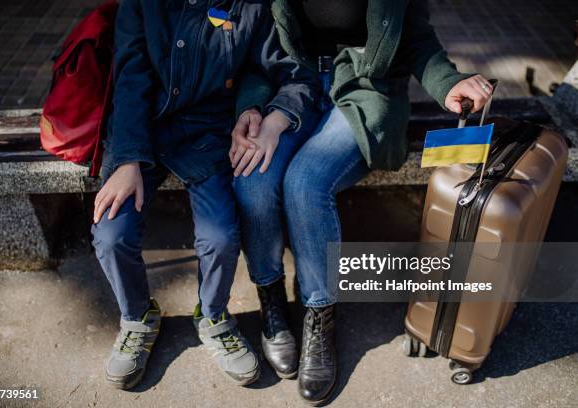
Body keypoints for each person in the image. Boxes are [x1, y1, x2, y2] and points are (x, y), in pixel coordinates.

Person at [231, 0, 494, 404]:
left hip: (362, 92)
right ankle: (272, 304)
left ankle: (319, 315)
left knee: (305, 182)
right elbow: (255, 50)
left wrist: (448, 83)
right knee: (254, 179)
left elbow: (416, 40)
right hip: (289, 87)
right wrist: (249, 107)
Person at [91, 0, 319, 390]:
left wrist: (264, 111)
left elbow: (287, 72)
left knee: (220, 236)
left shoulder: (251, 8)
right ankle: (137, 317)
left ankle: (213, 316)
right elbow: (131, 79)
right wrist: (126, 159)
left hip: (207, 135)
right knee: (112, 232)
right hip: (141, 130)